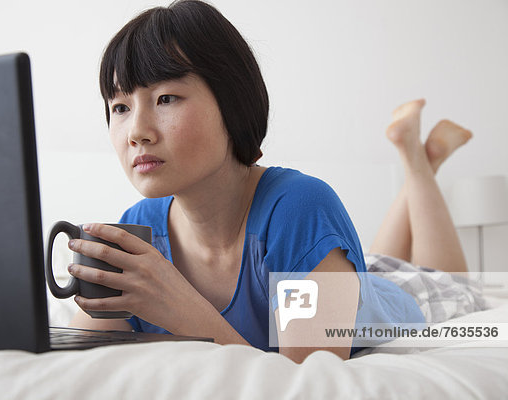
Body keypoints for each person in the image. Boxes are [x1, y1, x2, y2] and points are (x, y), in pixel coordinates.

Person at [67, 0, 484, 363]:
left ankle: (419, 163)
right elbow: (82, 360)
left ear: (232, 104)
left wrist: (179, 307)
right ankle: (416, 155)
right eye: (119, 107)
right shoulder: (137, 227)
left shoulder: (299, 208)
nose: (136, 130)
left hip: (402, 300)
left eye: (166, 99)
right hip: (336, 276)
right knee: (371, 265)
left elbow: (304, 381)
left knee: (440, 278)